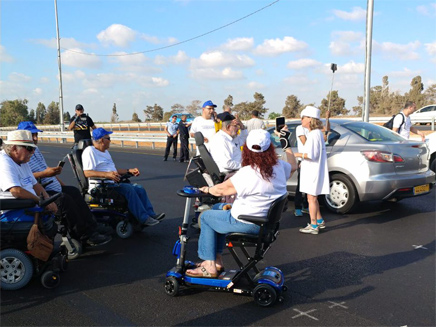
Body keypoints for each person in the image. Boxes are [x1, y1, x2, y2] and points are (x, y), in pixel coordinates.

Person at [185, 129, 297, 278]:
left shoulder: (249, 172)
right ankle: (217, 260)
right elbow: (294, 166)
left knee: (206, 217)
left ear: (247, 149)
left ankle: (210, 265)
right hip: (264, 220)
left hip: (248, 222)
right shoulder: (280, 167)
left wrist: (207, 189)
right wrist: (287, 145)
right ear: (269, 148)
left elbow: (221, 190)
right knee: (218, 208)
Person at [17, 121, 111, 246]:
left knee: (74, 192)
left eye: (36, 135)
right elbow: (26, 177)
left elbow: (45, 170)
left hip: (49, 185)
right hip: (39, 191)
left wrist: (60, 183)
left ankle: (92, 226)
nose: (35, 138)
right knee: (65, 200)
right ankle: (84, 235)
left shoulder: (35, 150)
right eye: (32, 135)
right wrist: (45, 174)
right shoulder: (21, 154)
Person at [81, 128, 165, 228]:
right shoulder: (90, 151)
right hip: (101, 186)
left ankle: (151, 214)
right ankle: (144, 218)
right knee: (129, 189)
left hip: (112, 183)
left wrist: (129, 170)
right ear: (102, 140)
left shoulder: (105, 152)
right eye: (108, 138)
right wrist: (107, 175)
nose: (110, 141)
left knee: (139, 188)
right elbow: (87, 172)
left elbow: (113, 170)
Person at [0, 130, 58, 216]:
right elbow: (16, 191)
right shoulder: (4, 161)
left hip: (29, 205)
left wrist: (47, 199)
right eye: (29, 148)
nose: (33, 152)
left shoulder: (22, 161)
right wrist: (40, 201)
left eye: (34, 148)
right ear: (14, 148)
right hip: (13, 211)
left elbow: (35, 184)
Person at [293, 106, 329, 235]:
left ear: (310, 119)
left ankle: (313, 225)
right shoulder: (317, 133)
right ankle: (319, 221)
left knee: (311, 198)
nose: (301, 120)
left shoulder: (313, 134)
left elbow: (311, 155)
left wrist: (297, 155)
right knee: (313, 197)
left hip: (312, 170)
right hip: (314, 169)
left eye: (304, 117)